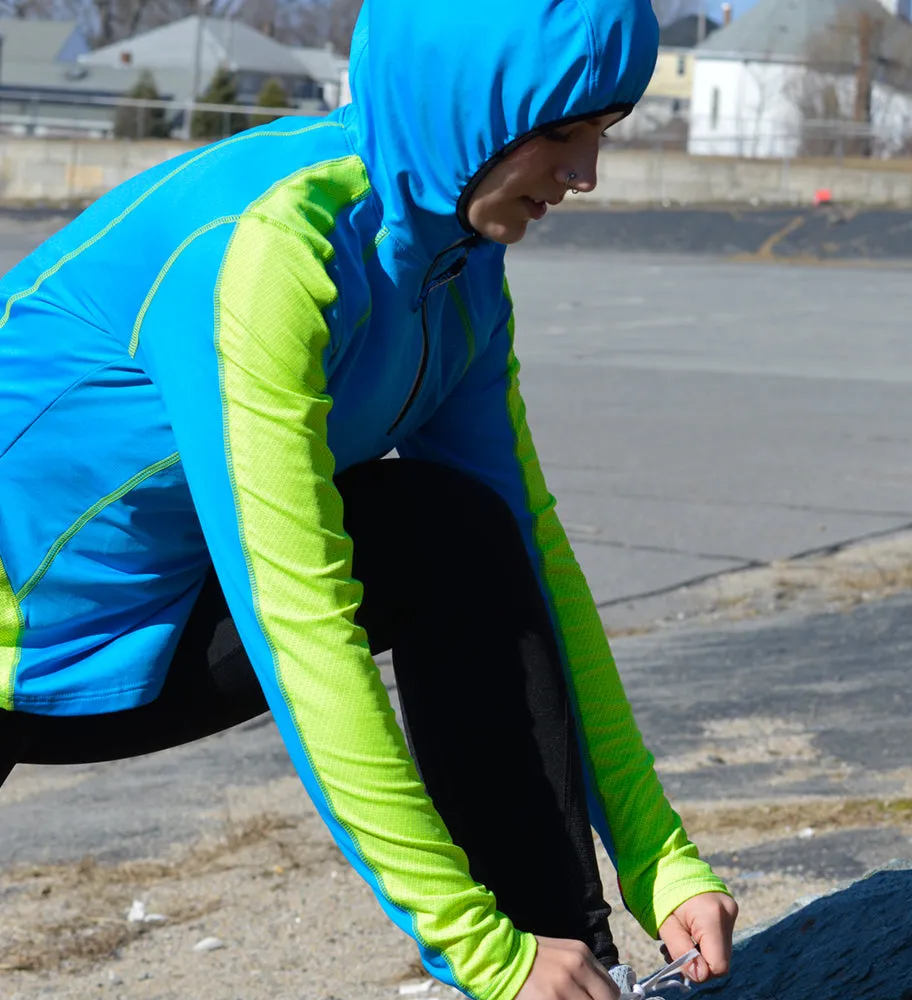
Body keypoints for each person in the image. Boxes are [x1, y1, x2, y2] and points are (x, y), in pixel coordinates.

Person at [0, 1, 738, 998]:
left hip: (143, 627)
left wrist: (660, 860)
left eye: (599, 137)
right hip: (21, 635)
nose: (583, 175)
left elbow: (533, 564)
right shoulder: (267, 248)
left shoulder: (461, 273)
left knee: (456, 533)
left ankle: (570, 967)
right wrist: (472, 946)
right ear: (465, 106)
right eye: (559, 134)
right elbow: (299, 618)